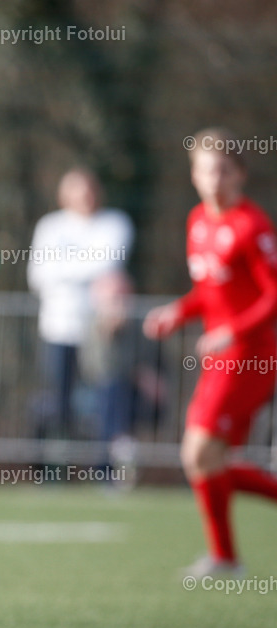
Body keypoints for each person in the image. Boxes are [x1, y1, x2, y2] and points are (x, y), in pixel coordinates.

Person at [143, 127, 277, 579]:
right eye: (205, 170)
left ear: (240, 173)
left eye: (223, 170)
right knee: (206, 460)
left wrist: (230, 331)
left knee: (198, 452)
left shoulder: (252, 226)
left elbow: (272, 296)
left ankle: (224, 557)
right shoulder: (198, 220)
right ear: (194, 175)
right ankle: (225, 558)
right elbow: (208, 292)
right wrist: (176, 313)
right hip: (222, 358)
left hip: (252, 356)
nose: (214, 179)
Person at [28, 168, 134, 442]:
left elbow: (108, 263)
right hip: (58, 325)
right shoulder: (50, 226)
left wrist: (62, 270)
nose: (84, 196)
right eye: (76, 189)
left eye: (89, 189)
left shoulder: (115, 223)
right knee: (57, 397)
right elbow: (38, 275)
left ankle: (105, 466)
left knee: (107, 395)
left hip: (101, 326)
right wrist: (87, 271)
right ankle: (55, 467)